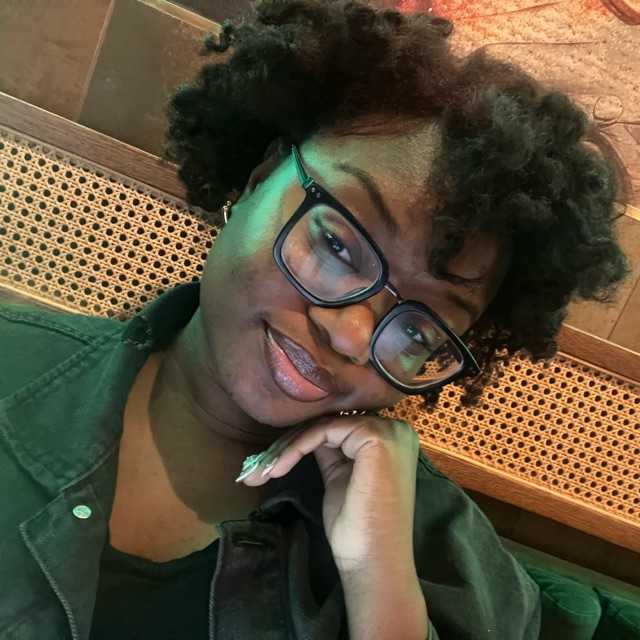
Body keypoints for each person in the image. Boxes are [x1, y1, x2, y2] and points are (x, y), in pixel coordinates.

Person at [0, 1, 630, 639]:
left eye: (418, 330)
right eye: (336, 246)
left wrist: (380, 588)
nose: (352, 336)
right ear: (260, 178)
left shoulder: (451, 567)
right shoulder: (10, 359)